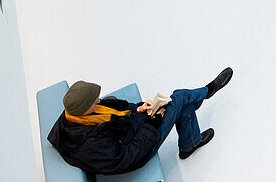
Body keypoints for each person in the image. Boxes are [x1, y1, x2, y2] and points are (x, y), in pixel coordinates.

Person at [47, 68, 233, 176]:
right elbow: (128, 156)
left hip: (130, 130)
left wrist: (138, 108)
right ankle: (207, 92)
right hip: (138, 151)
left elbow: (114, 110)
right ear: (84, 108)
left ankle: (189, 144)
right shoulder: (90, 144)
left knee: (181, 104)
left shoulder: (76, 114)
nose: (98, 101)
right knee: (181, 98)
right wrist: (151, 123)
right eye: (94, 101)